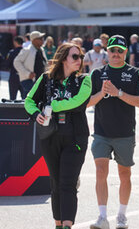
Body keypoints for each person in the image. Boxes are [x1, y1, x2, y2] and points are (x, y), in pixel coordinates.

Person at [24, 43, 91, 229]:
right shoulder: (46, 79)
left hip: (76, 138)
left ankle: (67, 225)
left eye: (80, 57)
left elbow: (78, 102)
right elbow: (29, 100)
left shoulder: (84, 80)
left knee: (67, 183)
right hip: (50, 137)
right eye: (75, 57)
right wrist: (36, 113)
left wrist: (52, 106)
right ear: (63, 59)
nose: (79, 60)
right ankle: (58, 224)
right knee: (55, 183)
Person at [88, 35, 139, 229]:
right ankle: (102, 217)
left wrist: (119, 93)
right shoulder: (97, 74)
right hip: (101, 132)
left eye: (120, 51)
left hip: (125, 133)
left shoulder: (135, 73)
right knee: (100, 172)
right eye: (112, 50)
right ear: (107, 51)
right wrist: (102, 93)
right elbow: (87, 102)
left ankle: (121, 216)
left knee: (124, 174)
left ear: (125, 52)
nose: (116, 53)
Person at [14, 31, 47, 97]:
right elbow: (16, 62)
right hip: (28, 81)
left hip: (39, 80)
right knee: (29, 101)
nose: (42, 40)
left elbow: (43, 64)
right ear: (34, 40)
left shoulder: (41, 50)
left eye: (42, 38)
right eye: (40, 38)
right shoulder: (27, 50)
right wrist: (27, 73)